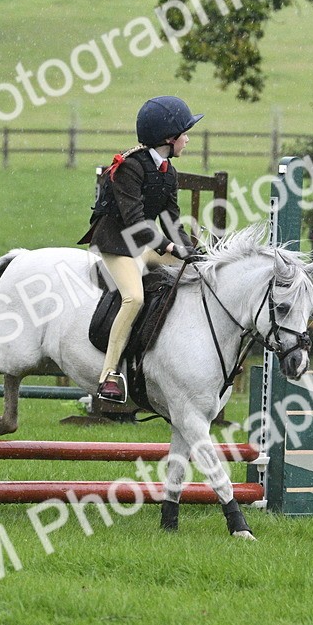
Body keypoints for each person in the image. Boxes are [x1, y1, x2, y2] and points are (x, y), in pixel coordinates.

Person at [78, 96, 200, 404]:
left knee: (195, 273)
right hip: (118, 243)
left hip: (145, 245)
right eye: (184, 133)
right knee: (134, 298)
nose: (188, 139)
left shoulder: (168, 173)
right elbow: (134, 222)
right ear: (168, 138)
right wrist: (170, 246)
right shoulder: (131, 167)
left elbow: (172, 221)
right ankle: (108, 376)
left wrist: (192, 251)